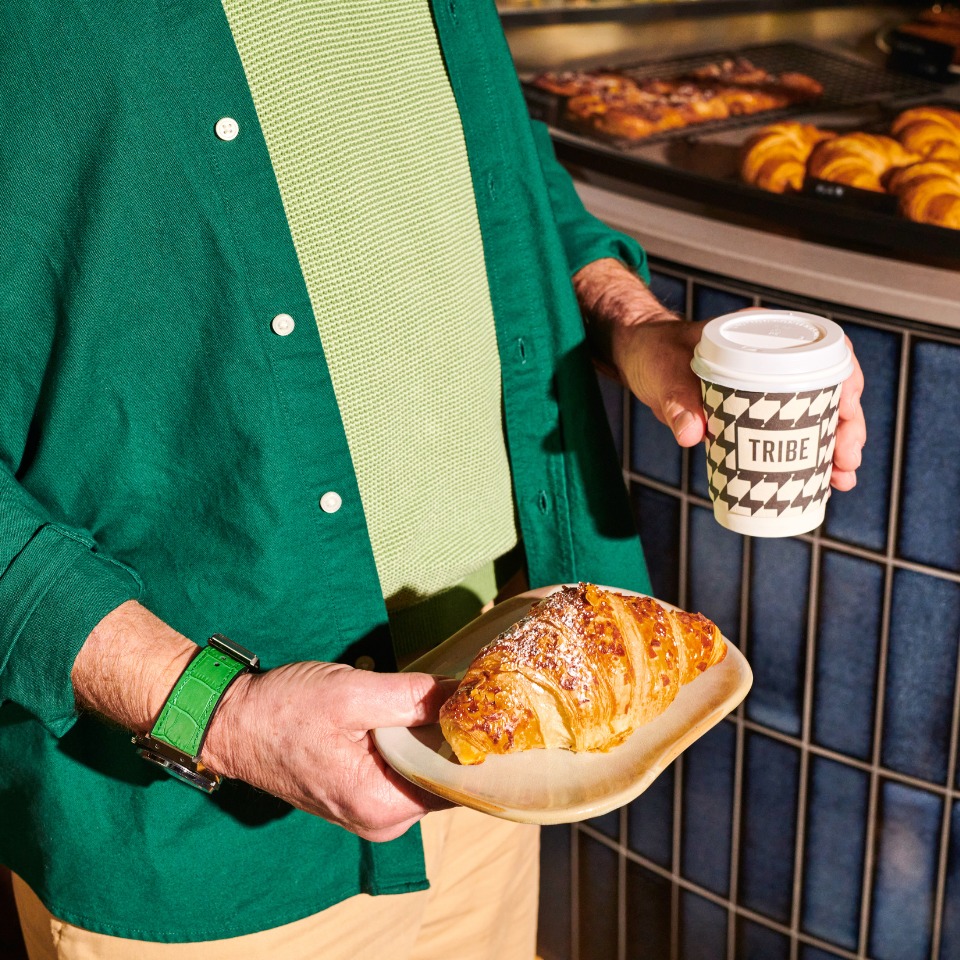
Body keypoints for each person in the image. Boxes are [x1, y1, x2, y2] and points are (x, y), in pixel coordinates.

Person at [0, 1, 866, 958]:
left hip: (491, 738)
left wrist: (636, 324)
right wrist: (227, 715)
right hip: (203, 827)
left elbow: (501, 175)